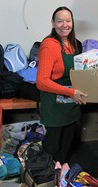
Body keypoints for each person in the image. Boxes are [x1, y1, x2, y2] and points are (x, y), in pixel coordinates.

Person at [36, 6, 87, 164]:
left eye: (68, 20)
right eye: (59, 21)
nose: (64, 25)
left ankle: (61, 178)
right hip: (55, 106)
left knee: (67, 145)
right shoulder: (49, 45)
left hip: (71, 104)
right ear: (53, 23)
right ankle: (48, 181)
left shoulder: (75, 44)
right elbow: (42, 82)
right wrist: (71, 92)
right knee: (53, 147)